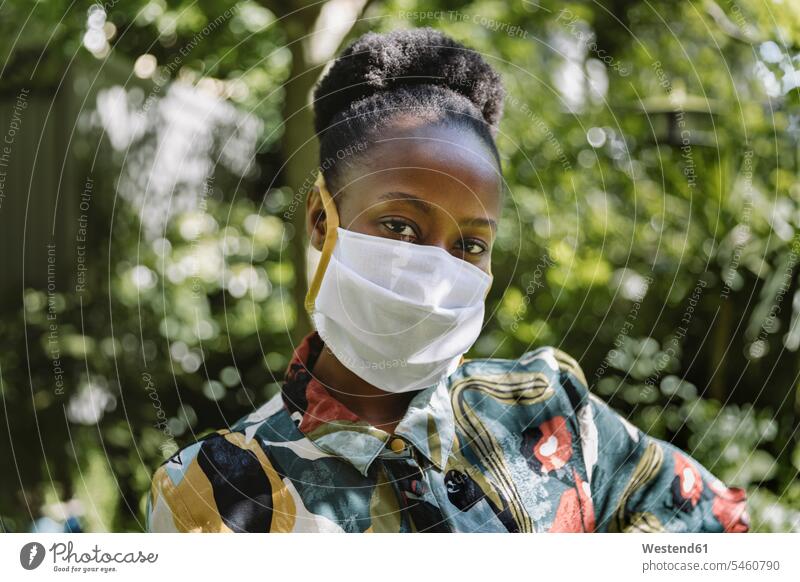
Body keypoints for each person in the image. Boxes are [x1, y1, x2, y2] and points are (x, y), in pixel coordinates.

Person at [146, 27, 749, 533]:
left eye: (470, 244)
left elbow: (712, 526)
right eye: (401, 227)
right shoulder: (213, 488)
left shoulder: (550, 410)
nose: (437, 272)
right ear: (320, 221)